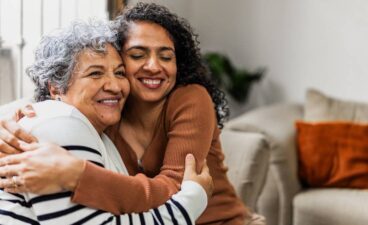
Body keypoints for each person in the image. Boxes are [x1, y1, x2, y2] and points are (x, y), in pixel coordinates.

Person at [0, 3, 266, 225]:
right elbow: (52, 100)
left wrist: (76, 174)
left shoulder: (189, 98)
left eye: (166, 56)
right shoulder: (110, 109)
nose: (154, 66)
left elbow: (177, 191)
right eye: (138, 54)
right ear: (120, 57)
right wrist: (9, 122)